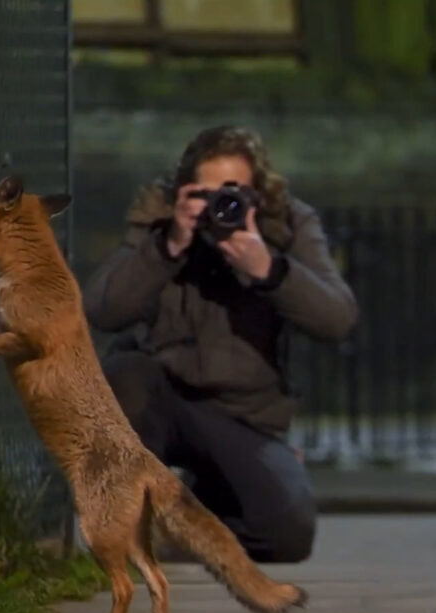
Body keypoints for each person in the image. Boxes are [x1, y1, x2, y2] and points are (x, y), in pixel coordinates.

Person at [81, 125, 358, 564]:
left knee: (288, 533)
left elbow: (338, 318)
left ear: (258, 195)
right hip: (166, 399)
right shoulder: (161, 222)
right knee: (123, 376)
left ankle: (188, 524)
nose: (218, 208)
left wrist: (269, 269)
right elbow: (101, 310)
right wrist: (168, 247)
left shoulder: (288, 224)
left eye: (232, 194)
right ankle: (126, 522)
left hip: (245, 419)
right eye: (206, 195)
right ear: (184, 191)